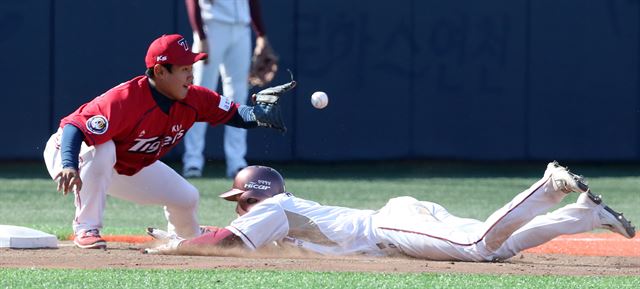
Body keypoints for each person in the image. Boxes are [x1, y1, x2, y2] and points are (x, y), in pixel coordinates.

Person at [43, 34, 292, 249]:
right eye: (184, 69)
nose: (191, 76)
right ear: (160, 72)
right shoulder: (125, 100)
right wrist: (68, 164)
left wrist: (257, 115)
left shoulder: (194, 98)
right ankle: (87, 228)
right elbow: (74, 127)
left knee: (186, 197)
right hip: (71, 151)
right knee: (103, 147)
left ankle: (187, 237)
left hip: (122, 163)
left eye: (191, 68)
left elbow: (235, 113)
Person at [144, 162, 636, 261]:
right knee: (500, 247)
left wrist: (176, 245)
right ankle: (587, 215)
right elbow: (225, 233)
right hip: (399, 221)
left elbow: (228, 241)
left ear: (258, 195)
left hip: (389, 226)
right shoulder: (278, 211)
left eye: (242, 199)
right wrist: (194, 235)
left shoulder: (274, 206)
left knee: (476, 247)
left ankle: (547, 187)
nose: (242, 207)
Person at [183, 0, 279, 178]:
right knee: (198, 95)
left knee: (238, 96)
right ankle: (192, 161)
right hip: (211, 28)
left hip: (241, 28)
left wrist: (261, 34)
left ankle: (237, 163)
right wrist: (201, 36)